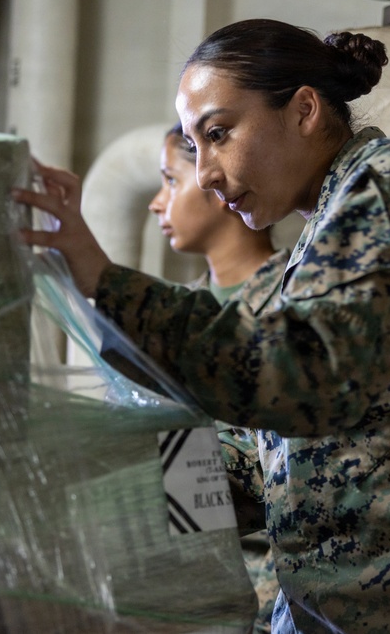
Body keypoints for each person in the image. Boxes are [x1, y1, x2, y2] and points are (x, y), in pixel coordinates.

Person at [15, 18, 390, 633]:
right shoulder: (319, 236)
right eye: (195, 145)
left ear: (304, 110)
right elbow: (292, 466)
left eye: (219, 133)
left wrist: (105, 283)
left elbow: (309, 372)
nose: (204, 171)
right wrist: (87, 480)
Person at [150, 122, 288, 633]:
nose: (157, 203)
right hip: (189, 590)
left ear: (215, 186)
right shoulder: (173, 316)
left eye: (170, 180)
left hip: (272, 598)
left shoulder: (295, 306)